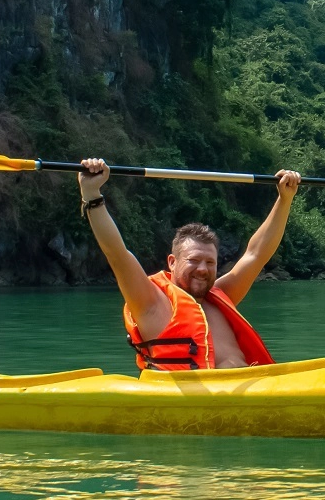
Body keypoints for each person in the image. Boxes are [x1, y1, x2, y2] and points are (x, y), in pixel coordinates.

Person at [76, 158, 301, 370]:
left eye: (210, 262)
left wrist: (285, 199)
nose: (202, 269)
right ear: (172, 262)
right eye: (193, 260)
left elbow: (256, 254)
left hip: (248, 394)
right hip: (195, 403)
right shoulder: (149, 302)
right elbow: (116, 254)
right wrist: (91, 193)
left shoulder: (222, 294)